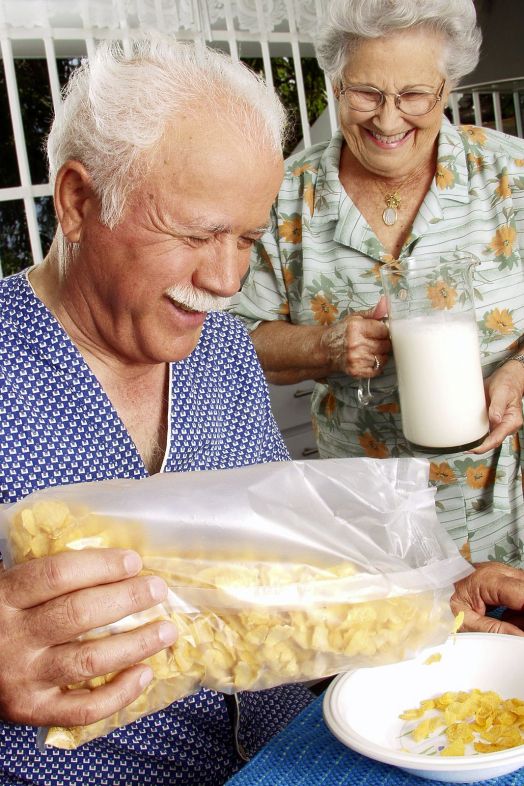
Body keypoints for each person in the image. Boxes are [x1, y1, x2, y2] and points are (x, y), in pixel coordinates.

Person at [0, 39, 315, 786]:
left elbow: (284, 560)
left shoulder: (228, 353)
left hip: (293, 757)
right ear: (78, 202)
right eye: (196, 233)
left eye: (247, 239)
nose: (227, 277)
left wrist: (420, 590)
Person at [230, 0, 524, 626]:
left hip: (513, 524)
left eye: (416, 94)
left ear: (450, 86)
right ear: (334, 84)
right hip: (370, 538)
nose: (390, 118)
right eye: (365, 93)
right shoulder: (282, 196)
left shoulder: (513, 175)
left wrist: (520, 370)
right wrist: (324, 346)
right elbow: (227, 343)